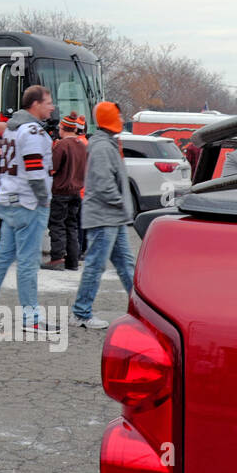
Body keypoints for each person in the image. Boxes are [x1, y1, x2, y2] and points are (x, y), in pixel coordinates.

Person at [0, 85, 60, 334]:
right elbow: (33, 169)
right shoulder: (31, 131)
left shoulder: (12, 129)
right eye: (48, 102)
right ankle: (30, 317)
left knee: (2, 258)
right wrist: (43, 199)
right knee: (28, 262)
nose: (52, 106)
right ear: (35, 104)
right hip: (27, 202)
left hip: (11, 198)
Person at [71, 101, 136, 330]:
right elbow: (103, 184)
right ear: (111, 119)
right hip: (104, 216)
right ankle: (81, 313)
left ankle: (141, 310)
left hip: (111, 217)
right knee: (96, 265)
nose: (120, 119)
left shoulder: (106, 143)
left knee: (126, 265)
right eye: (117, 116)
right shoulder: (102, 146)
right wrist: (120, 204)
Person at [44, 111, 88, 271]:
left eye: (60, 127)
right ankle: (72, 261)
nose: (58, 129)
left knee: (57, 225)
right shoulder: (82, 145)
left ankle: (57, 259)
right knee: (72, 225)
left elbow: (52, 168)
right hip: (76, 191)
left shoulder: (62, 145)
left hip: (61, 191)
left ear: (64, 128)